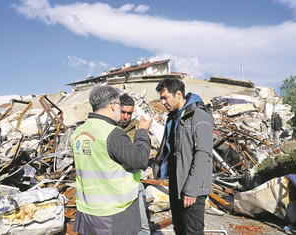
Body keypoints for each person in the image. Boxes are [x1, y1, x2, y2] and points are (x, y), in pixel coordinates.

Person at [71, 85, 153, 235]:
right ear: (114, 105)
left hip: (87, 210)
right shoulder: (112, 133)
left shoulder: (78, 133)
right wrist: (142, 131)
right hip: (113, 213)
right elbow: (140, 160)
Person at [153, 77, 214, 235]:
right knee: (179, 229)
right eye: (161, 98)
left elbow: (203, 154)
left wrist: (191, 189)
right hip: (176, 183)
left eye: (165, 97)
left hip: (192, 186)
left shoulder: (199, 116)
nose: (163, 102)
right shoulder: (172, 118)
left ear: (178, 94)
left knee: (192, 231)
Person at [119, 93, 151, 235]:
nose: (125, 117)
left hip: (134, 183)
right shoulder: (108, 128)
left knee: (142, 228)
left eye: (129, 113)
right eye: (123, 112)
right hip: (115, 185)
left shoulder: (137, 127)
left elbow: (142, 154)